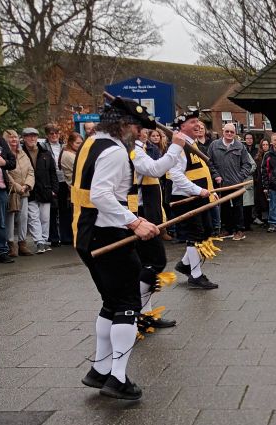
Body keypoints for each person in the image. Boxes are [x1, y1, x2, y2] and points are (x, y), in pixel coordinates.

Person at [71, 96, 162, 401]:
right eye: (136, 126)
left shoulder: (91, 143)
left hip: (87, 233)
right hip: (107, 234)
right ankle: (117, 378)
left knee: (110, 303)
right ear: (123, 124)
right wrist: (134, 222)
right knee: (127, 303)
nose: (139, 132)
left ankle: (100, 369)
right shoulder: (113, 150)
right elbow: (101, 194)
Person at [131, 126, 187, 330]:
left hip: (145, 211)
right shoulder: (133, 150)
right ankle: (135, 311)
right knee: (154, 261)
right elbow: (155, 169)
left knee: (148, 263)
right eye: (143, 128)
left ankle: (145, 314)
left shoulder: (142, 149)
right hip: (137, 213)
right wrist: (176, 147)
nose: (147, 132)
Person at [168, 110, 220, 290]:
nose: (197, 124)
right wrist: (198, 190)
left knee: (205, 232)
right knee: (195, 235)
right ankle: (195, 275)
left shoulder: (194, 145)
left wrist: (210, 192)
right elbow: (175, 175)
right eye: (192, 122)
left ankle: (185, 264)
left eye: (198, 121)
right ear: (182, 126)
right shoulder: (180, 147)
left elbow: (201, 172)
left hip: (200, 196)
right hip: (185, 198)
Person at [208, 123, 254, 240]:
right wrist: (215, 175)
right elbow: (209, 163)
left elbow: (247, 164)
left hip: (236, 183)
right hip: (221, 183)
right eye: (227, 131)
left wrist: (240, 177)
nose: (229, 134)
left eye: (232, 132)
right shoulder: (214, 145)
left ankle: (239, 230)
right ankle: (227, 229)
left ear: (235, 133)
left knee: (238, 207)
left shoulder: (240, 146)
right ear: (223, 131)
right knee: (224, 207)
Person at [22, 127, 58, 254]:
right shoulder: (21, 153)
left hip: (45, 189)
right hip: (30, 189)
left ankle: (44, 240)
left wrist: (54, 189)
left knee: (45, 218)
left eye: (34, 136)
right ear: (24, 138)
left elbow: (53, 172)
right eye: (29, 136)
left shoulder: (45, 153)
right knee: (33, 217)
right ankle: (39, 242)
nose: (32, 138)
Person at [0, 114, 17, 263]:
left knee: (0, 221)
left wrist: (3, 162)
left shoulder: (0, 141)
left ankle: (2, 252)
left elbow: (12, 163)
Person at [3, 128, 33, 257]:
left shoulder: (23, 153)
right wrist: (16, 186)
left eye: (15, 137)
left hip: (24, 190)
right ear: (5, 139)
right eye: (11, 137)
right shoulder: (3, 153)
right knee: (10, 218)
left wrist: (27, 185)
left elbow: (30, 171)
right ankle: (10, 244)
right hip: (11, 191)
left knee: (23, 217)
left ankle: (22, 243)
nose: (14, 139)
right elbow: (5, 172)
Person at [58, 131, 83, 245]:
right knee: (74, 214)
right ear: (71, 143)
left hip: (75, 187)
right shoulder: (68, 155)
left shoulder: (73, 153)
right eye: (77, 143)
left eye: (81, 143)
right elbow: (81, 169)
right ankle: (74, 238)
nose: (80, 145)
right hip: (73, 187)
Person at [253, 138, 270, 224]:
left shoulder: (271, 156)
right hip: (259, 182)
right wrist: (256, 179)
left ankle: (269, 218)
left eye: (267, 145)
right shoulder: (258, 158)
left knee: (268, 201)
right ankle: (261, 218)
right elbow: (255, 170)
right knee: (260, 200)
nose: (265, 146)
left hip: (270, 181)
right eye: (263, 145)